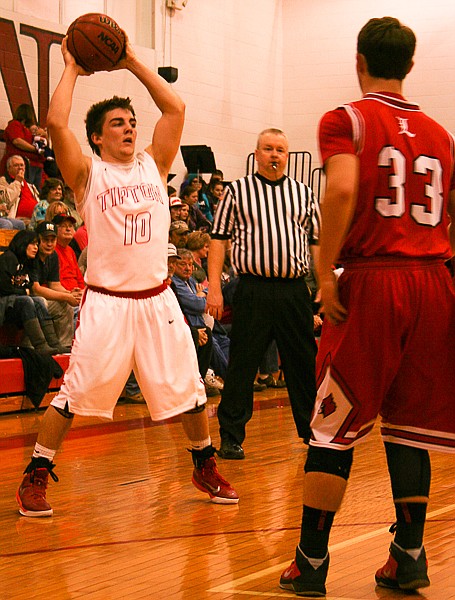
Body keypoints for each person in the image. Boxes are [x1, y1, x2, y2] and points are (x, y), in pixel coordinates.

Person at [16, 31, 238, 518]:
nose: (130, 129)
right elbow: (56, 121)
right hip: (107, 302)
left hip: (157, 299)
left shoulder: (155, 166)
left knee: (191, 390)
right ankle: (35, 474)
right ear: (97, 136)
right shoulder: (87, 174)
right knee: (75, 395)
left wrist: (131, 59)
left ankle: (203, 464)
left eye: (133, 122)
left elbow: (175, 109)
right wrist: (74, 67)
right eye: (118, 123)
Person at [279, 17, 455, 597]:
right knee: (409, 429)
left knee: (331, 426)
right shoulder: (439, 133)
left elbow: (343, 188)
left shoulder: (346, 119)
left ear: (360, 61)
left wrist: (323, 268)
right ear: (408, 65)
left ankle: (310, 562)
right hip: (433, 280)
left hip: (376, 279)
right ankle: (409, 555)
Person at [207, 128, 320, 460]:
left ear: (287, 155)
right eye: (268, 149)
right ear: (257, 153)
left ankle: (311, 432)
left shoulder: (303, 193)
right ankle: (231, 435)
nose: (275, 155)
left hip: (293, 289)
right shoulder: (238, 191)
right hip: (253, 287)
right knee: (243, 362)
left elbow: (317, 242)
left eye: (281, 150)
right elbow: (218, 239)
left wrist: (325, 281)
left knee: (303, 363)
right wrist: (214, 286)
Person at [173, 249, 230, 383]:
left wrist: (202, 293)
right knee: (211, 340)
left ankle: (234, 378)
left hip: (208, 324)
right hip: (194, 327)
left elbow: (209, 290)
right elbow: (198, 305)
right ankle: (231, 380)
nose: (188, 268)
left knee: (225, 341)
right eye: (183, 264)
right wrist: (201, 297)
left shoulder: (190, 280)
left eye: (190, 265)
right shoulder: (176, 283)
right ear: (174, 265)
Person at [0, 229, 62, 354]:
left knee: (38, 301)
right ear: (23, 243)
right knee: (26, 300)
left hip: (13, 301)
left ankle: (54, 343)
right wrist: (23, 292)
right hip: (3, 302)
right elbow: (5, 288)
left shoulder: (27, 262)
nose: (36, 248)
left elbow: (26, 285)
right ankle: (40, 345)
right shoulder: (9, 258)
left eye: (37, 245)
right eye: (33, 244)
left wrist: (23, 291)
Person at [31, 221, 81, 352]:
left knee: (67, 305)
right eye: (45, 240)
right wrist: (66, 296)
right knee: (61, 304)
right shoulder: (33, 255)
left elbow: (55, 284)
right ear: (38, 240)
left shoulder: (52, 255)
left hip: (42, 298)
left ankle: (64, 347)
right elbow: (35, 289)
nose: (49, 244)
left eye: (52, 240)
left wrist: (70, 294)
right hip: (30, 297)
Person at [0, 104, 46, 189]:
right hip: (24, 164)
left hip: (36, 165)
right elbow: (17, 141)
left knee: (34, 193)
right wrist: (35, 149)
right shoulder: (15, 125)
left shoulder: (32, 130)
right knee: (22, 190)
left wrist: (43, 134)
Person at [0, 155, 40, 227]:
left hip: (33, 218)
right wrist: (17, 181)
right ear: (9, 168)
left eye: (22, 165)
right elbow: (6, 200)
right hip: (15, 218)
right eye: (16, 165)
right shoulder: (3, 181)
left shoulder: (30, 185)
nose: (20, 168)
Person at [52, 214, 85, 292]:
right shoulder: (51, 250)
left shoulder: (71, 250)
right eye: (63, 226)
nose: (68, 229)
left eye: (70, 226)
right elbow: (55, 282)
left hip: (76, 293)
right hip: (63, 294)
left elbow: (79, 278)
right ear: (55, 229)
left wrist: (82, 291)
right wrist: (70, 293)